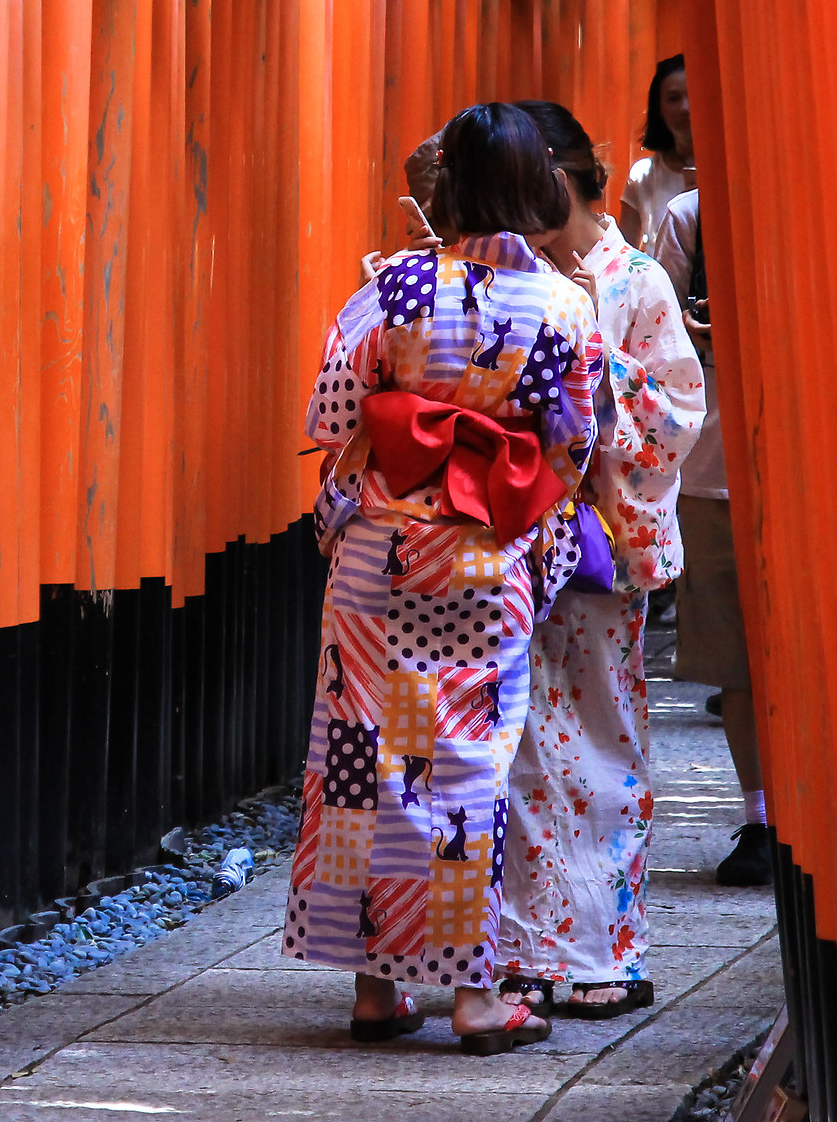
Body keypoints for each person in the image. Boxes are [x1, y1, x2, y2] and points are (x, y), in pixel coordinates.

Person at [284, 103, 600, 1056]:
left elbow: (333, 409)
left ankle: (375, 987)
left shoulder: (390, 289)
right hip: (483, 555)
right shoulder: (561, 305)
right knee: (466, 760)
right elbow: (572, 439)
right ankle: (473, 997)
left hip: (381, 556)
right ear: (541, 184)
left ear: (448, 189)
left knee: (363, 755)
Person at [496, 102, 705, 1017]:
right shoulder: (503, 278)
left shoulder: (638, 280)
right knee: (509, 748)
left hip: (593, 546)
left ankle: (602, 949)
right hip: (501, 544)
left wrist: (587, 367)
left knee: (597, 745)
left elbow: (675, 412)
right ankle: (517, 947)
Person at [651, 189, 770, 887]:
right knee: (737, 664)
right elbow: (655, 346)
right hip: (713, 468)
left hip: (823, 472)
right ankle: (760, 817)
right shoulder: (691, 216)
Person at [617, 55, 694, 252]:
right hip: (663, 280)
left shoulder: (729, 168)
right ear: (659, 107)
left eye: (693, 94)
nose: (684, 108)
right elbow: (626, 253)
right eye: (673, 99)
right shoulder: (643, 176)